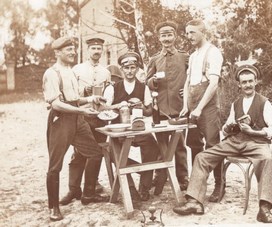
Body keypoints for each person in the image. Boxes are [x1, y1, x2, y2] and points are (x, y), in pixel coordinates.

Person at [173, 64, 272, 223]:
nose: (248, 85)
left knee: (267, 160)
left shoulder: (264, 103)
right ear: (239, 84)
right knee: (202, 157)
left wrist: (254, 132)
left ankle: (264, 209)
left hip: (256, 142)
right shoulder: (236, 103)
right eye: (244, 82)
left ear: (256, 82)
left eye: (250, 81)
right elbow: (226, 128)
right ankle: (195, 202)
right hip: (236, 141)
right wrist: (228, 127)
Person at [42, 37, 108, 221]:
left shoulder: (70, 71)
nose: (72, 52)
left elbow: (74, 98)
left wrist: (90, 100)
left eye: (73, 49)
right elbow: (56, 103)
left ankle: (88, 194)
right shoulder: (51, 73)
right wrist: (80, 109)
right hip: (61, 120)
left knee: (95, 153)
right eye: (67, 50)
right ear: (57, 53)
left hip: (77, 119)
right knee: (55, 165)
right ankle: (53, 207)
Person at [59, 37, 111, 206]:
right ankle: (74, 189)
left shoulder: (106, 71)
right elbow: (70, 93)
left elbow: (109, 93)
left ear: (102, 51)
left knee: (97, 153)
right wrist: (84, 90)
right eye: (93, 48)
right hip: (82, 116)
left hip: (100, 117)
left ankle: (91, 189)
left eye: (99, 48)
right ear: (87, 50)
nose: (96, 51)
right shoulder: (77, 69)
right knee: (78, 154)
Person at [103, 51, 159, 201]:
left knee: (153, 147)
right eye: (126, 68)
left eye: (133, 67)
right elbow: (103, 109)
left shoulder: (143, 87)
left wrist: (140, 105)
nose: (129, 71)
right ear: (121, 69)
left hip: (138, 128)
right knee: (115, 154)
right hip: (118, 130)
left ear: (137, 69)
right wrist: (117, 105)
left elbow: (149, 111)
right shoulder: (113, 88)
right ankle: (130, 189)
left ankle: (144, 187)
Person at [180, 19, 224, 202]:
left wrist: (199, 108)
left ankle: (219, 185)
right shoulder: (193, 55)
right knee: (194, 145)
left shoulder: (213, 53)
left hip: (208, 107)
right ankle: (196, 186)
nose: (188, 36)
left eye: (192, 32)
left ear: (202, 32)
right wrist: (185, 106)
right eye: (187, 32)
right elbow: (188, 82)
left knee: (213, 146)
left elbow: (213, 84)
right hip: (192, 106)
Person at [146, 21, 189, 192]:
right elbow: (146, 81)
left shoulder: (185, 57)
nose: (166, 38)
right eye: (163, 35)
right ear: (159, 38)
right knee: (161, 142)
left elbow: (193, 79)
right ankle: (160, 175)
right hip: (161, 109)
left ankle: (183, 176)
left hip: (180, 108)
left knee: (179, 143)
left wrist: (188, 94)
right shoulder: (155, 59)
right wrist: (153, 81)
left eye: (169, 34)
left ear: (175, 36)